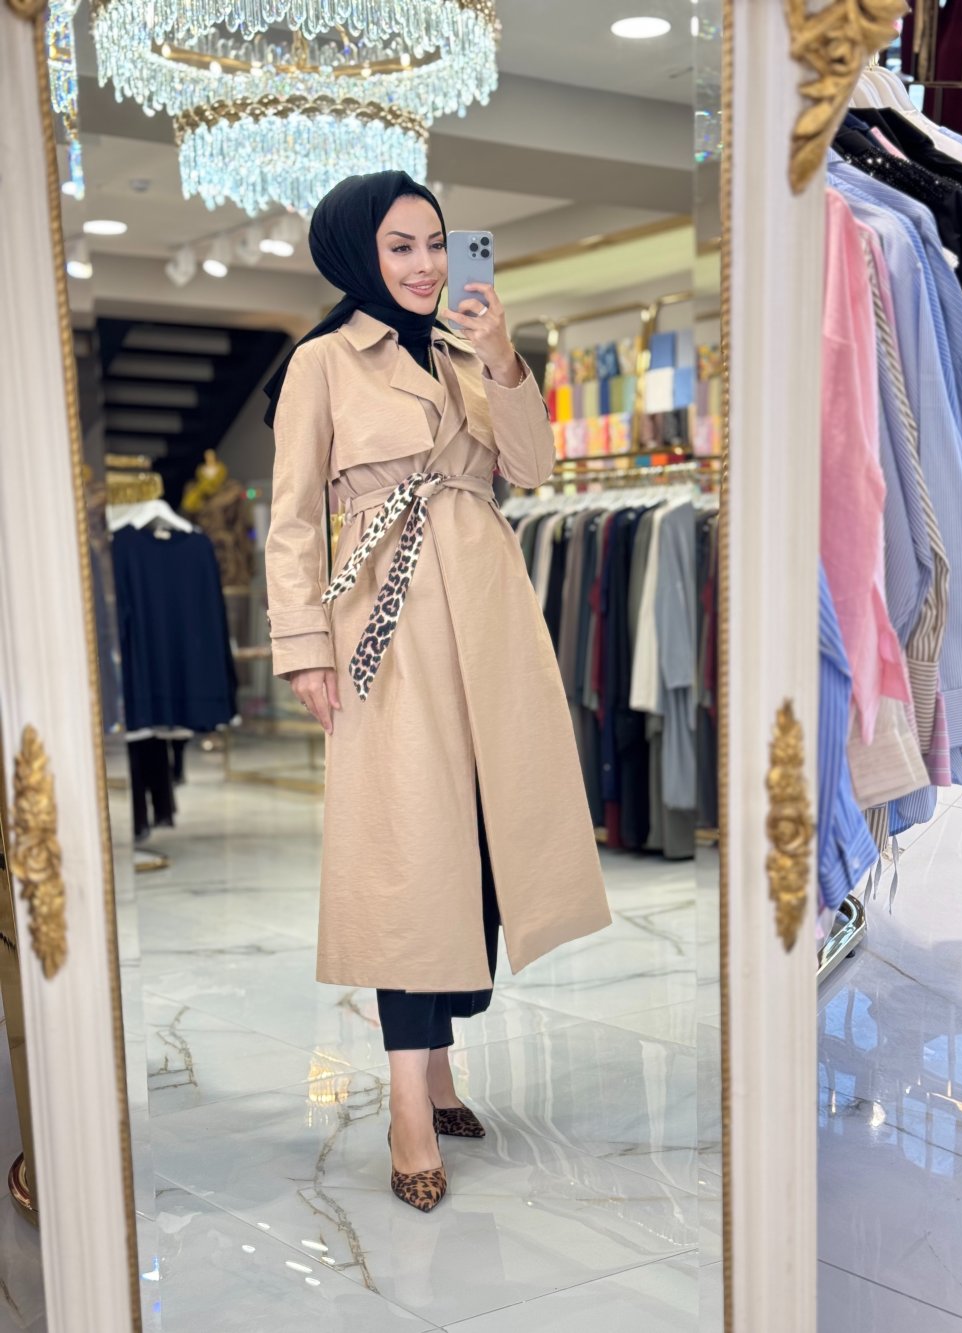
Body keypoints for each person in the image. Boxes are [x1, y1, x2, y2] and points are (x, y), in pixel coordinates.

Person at [264, 171, 611, 1212]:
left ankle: (444, 1066)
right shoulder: (323, 362)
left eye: (435, 243)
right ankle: (408, 1105)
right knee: (410, 861)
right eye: (400, 246)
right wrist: (304, 647)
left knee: (485, 851)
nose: (423, 266)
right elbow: (292, 519)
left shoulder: (467, 354)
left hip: (491, 622)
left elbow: (532, 468)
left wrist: (504, 356)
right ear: (356, 254)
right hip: (389, 625)